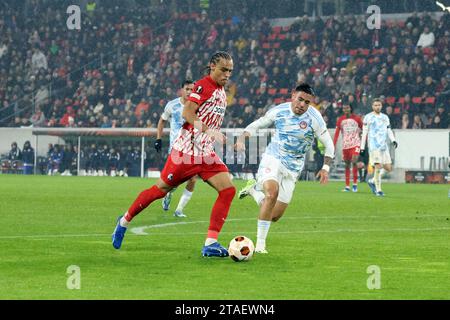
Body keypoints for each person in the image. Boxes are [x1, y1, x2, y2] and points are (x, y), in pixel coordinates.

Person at [112, 51, 236, 257]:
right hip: (185, 153)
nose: (227, 74)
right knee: (160, 190)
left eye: (230, 71)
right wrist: (209, 130)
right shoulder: (203, 86)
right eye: (224, 69)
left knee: (228, 190)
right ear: (212, 66)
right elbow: (186, 113)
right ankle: (124, 221)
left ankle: (211, 243)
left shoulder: (222, 90)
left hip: (205, 153)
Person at [235, 83, 335, 254]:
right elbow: (257, 124)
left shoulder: (315, 118)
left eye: (307, 102)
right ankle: (260, 245)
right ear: (293, 96)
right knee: (271, 193)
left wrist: (325, 167)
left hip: (293, 169)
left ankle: (253, 191)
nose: (302, 104)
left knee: (274, 216)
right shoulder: (279, 111)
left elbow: (329, 145)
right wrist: (242, 138)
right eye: (300, 99)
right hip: (273, 158)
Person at [155, 79, 197, 218]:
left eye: (192, 89)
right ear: (182, 90)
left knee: (192, 178)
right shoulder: (172, 105)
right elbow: (162, 120)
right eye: (187, 89)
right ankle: (168, 194)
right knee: (173, 182)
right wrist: (159, 138)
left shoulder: (197, 106)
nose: (190, 92)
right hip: (176, 149)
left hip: (192, 147)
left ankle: (179, 210)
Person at [360, 98, 398, 197]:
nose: (377, 107)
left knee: (388, 168)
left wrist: (393, 140)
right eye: (375, 105)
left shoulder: (385, 117)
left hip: (383, 146)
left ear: (381, 106)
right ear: (372, 106)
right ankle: (378, 190)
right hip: (373, 145)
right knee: (378, 166)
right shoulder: (368, 117)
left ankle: (372, 181)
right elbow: (364, 133)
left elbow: (388, 129)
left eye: (379, 105)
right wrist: (362, 147)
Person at [333, 101, 363, 192]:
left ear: (350, 108)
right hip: (346, 145)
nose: (345, 110)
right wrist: (333, 145)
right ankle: (347, 186)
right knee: (347, 165)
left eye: (347, 108)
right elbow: (337, 133)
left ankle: (354, 184)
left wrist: (363, 138)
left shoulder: (357, 119)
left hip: (355, 143)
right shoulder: (340, 120)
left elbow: (363, 129)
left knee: (354, 161)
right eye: (344, 108)